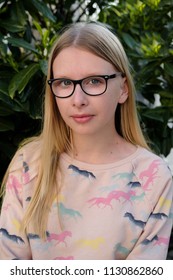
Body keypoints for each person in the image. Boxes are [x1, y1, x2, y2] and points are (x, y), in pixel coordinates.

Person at [0, 22, 172, 260]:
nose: (77, 99)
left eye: (94, 81)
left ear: (123, 89)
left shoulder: (154, 177)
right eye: (64, 83)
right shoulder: (29, 163)